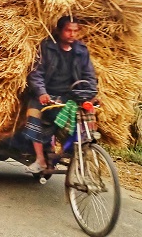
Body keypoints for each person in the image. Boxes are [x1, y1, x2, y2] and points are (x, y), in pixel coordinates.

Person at [24, 15, 97, 173]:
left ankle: (76, 154)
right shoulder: (47, 47)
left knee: (85, 123)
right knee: (34, 113)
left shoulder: (81, 51)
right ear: (59, 31)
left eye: (75, 31)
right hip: (47, 96)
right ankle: (40, 160)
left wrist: (91, 94)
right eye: (68, 30)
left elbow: (90, 76)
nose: (72, 34)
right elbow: (36, 73)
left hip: (69, 97)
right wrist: (42, 93)